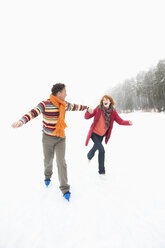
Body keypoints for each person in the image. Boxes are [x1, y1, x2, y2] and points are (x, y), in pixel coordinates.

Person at [12, 83, 91, 201]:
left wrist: (86, 108)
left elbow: (75, 106)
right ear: (59, 93)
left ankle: (65, 188)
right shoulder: (45, 104)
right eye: (65, 91)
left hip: (60, 138)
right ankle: (47, 176)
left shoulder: (64, 105)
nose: (66, 93)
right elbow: (33, 112)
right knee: (48, 160)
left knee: (61, 162)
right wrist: (22, 121)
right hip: (47, 138)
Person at [84, 95, 133, 175]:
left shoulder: (113, 112)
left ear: (110, 101)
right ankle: (102, 171)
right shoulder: (98, 108)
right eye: (103, 100)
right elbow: (86, 117)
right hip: (94, 133)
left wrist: (128, 122)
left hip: (102, 135)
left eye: (107, 100)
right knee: (102, 150)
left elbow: (120, 121)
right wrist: (88, 111)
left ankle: (89, 155)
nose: (105, 101)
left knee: (96, 147)